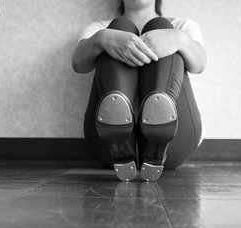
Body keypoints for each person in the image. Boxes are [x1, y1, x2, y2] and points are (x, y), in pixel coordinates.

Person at [72, 0, 207, 182]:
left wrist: (178, 39)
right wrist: (102, 39)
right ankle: (117, 135)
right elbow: (78, 64)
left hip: (174, 144)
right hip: (108, 148)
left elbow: (199, 65)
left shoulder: (182, 26)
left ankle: (159, 135)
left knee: (160, 26)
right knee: (119, 28)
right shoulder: (99, 28)